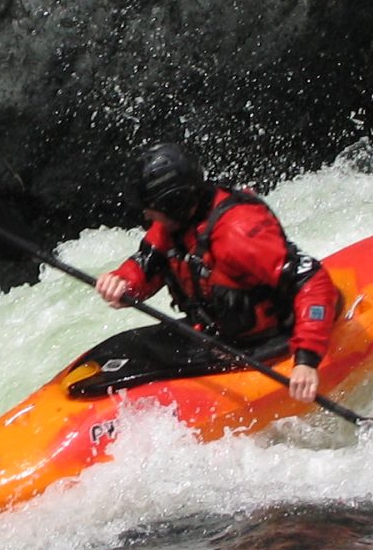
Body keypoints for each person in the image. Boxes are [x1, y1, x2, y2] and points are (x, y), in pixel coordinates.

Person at [93, 141, 342, 400]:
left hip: (270, 339)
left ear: (173, 203)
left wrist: (307, 359)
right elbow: (147, 264)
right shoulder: (174, 227)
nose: (146, 216)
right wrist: (122, 283)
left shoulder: (239, 233)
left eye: (151, 209)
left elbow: (312, 280)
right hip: (218, 335)